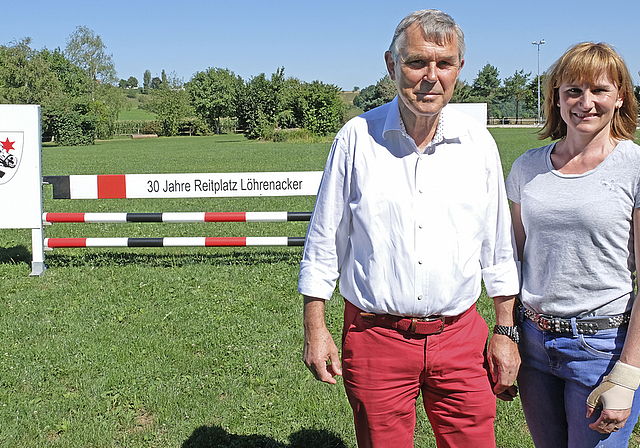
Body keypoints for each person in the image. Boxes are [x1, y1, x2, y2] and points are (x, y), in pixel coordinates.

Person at [298, 9, 520, 448]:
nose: (430, 77)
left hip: (460, 339)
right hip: (375, 337)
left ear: (459, 69)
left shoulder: (478, 145)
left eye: (445, 63)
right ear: (391, 64)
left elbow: (497, 249)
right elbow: (324, 240)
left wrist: (506, 331)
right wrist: (315, 328)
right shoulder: (356, 138)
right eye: (417, 62)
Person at [506, 42, 640, 448]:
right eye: (573, 91)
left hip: (602, 346)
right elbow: (513, 260)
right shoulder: (527, 167)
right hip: (534, 344)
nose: (586, 102)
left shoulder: (633, 168)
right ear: (557, 99)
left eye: (599, 90)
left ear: (620, 98)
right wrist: (508, 336)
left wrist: (628, 373)